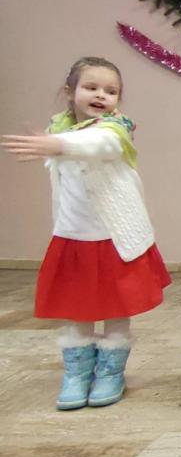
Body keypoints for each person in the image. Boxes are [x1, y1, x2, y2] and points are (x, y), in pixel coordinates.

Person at [2, 57, 170, 410]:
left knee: (117, 306)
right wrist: (56, 143)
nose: (101, 95)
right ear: (70, 91)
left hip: (115, 236)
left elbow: (101, 145)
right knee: (76, 308)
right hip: (73, 235)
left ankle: (110, 372)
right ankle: (76, 373)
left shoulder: (116, 128)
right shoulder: (58, 128)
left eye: (111, 91)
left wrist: (59, 145)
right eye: (91, 87)